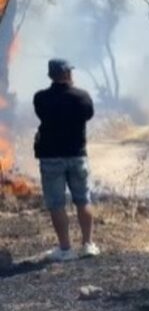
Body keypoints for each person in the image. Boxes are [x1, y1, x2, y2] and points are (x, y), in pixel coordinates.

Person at [33, 59, 99, 261]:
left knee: (56, 204)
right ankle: (88, 245)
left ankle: (65, 249)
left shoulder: (41, 98)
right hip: (77, 155)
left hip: (51, 158)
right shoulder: (82, 97)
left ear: (51, 75)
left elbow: (41, 115)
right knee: (83, 199)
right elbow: (88, 115)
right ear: (68, 74)